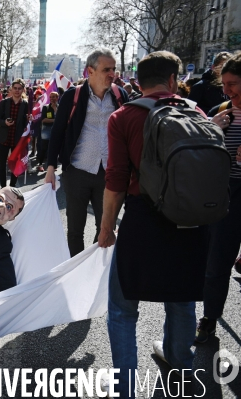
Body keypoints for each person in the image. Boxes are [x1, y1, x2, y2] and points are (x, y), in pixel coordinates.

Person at [98, 50, 211, 397]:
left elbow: (116, 181)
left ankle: (126, 387)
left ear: (138, 82)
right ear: (174, 80)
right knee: (182, 300)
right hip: (192, 223)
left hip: (144, 220)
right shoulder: (197, 113)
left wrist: (106, 229)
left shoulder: (123, 117)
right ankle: (180, 369)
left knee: (121, 308)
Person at [45, 48, 128, 257]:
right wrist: (50, 167)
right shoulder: (73, 96)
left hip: (109, 174)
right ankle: (75, 268)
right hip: (77, 171)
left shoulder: (120, 96)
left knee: (105, 228)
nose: (112, 74)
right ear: (90, 71)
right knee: (75, 229)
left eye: (114, 69)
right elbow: (57, 132)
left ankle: (91, 264)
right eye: (106, 69)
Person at [196, 52, 241, 344]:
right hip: (227, 197)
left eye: (233, 83)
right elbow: (199, 156)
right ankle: (209, 321)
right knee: (217, 264)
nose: (227, 90)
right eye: (224, 83)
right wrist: (211, 129)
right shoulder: (221, 110)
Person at [0, 79, 29, 188]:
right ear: (11, 89)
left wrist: (30, 120)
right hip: (5, 138)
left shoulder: (26, 105)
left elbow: (27, 123)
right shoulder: (4, 103)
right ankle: (3, 187)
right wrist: (4, 122)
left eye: (19, 88)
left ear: (23, 90)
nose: (17, 91)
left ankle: (13, 186)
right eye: (15, 88)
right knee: (2, 164)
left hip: (17, 139)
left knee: (15, 164)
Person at [36, 91, 59, 172]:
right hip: (46, 130)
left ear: (57, 98)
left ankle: (52, 165)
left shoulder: (59, 107)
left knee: (54, 148)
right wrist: (56, 120)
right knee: (44, 148)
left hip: (56, 131)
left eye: (54, 97)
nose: (52, 98)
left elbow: (61, 118)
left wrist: (55, 109)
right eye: (51, 97)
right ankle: (40, 164)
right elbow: (44, 120)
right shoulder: (46, 107)